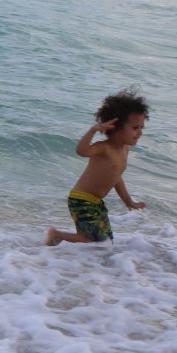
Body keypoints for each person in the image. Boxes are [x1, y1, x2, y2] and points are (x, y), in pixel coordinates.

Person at [46, 88, 149, 246]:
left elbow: (116, 178)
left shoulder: (124, 150)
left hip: (96, 202)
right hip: (81, 200)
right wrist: (93, 130)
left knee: (106, 242)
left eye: (142, 127)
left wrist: (128, 201)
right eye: (135, 128)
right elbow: (81, 150)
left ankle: (74, 258)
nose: (140, 132)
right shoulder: (104, 148)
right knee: (95, 240)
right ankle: (57, 235)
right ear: (116, 126)